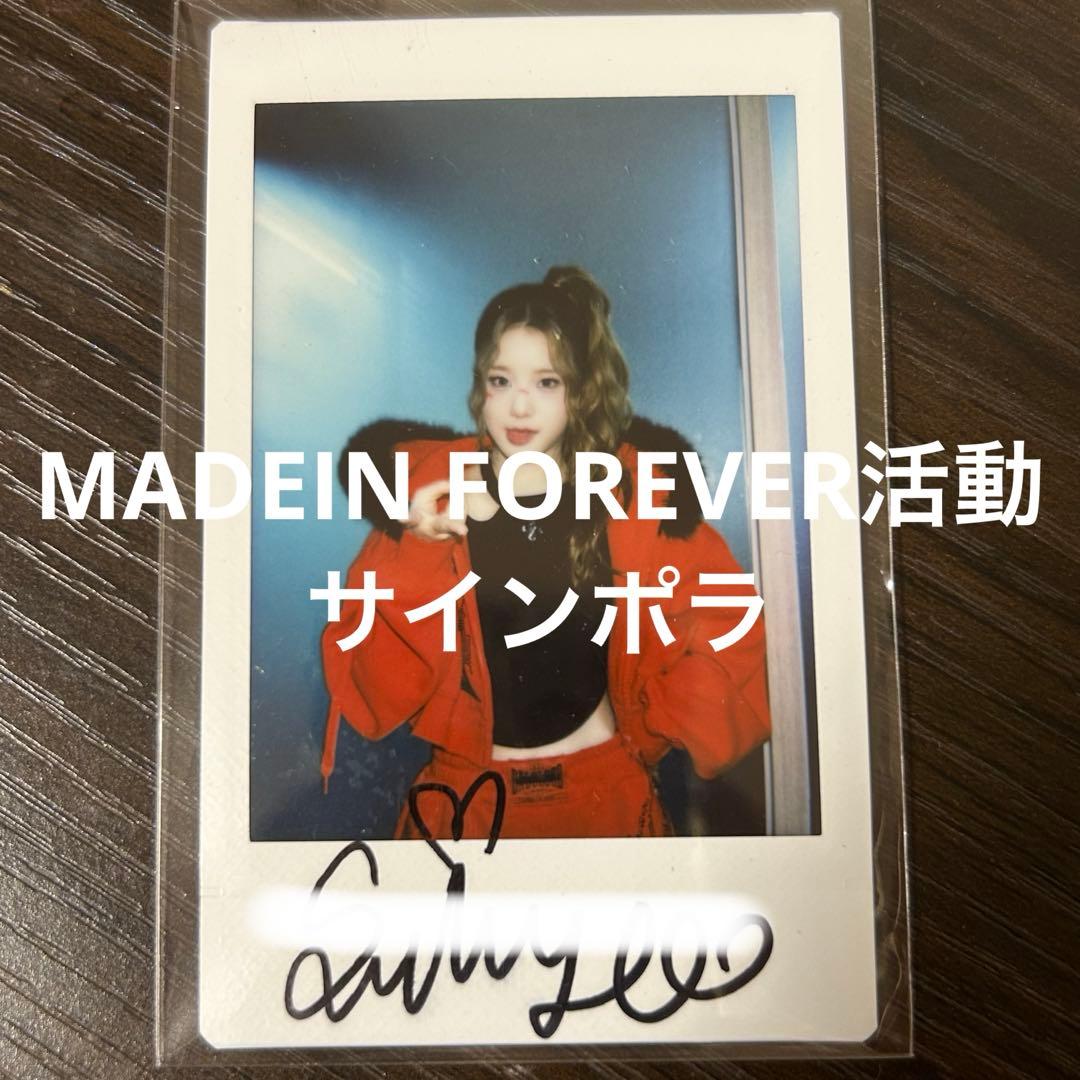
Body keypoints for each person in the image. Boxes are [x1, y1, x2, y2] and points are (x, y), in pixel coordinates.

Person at [320, 266, 770, 839]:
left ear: (580, 390)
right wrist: (417, 548)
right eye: (501, 380)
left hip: (605, 794)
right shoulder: (427, 498)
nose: (519, 407)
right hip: (466, 804)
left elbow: (731, 627)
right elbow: (366, 686)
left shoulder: (633, 497)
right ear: (479, 384)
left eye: (547, 382)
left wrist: (651, 727)